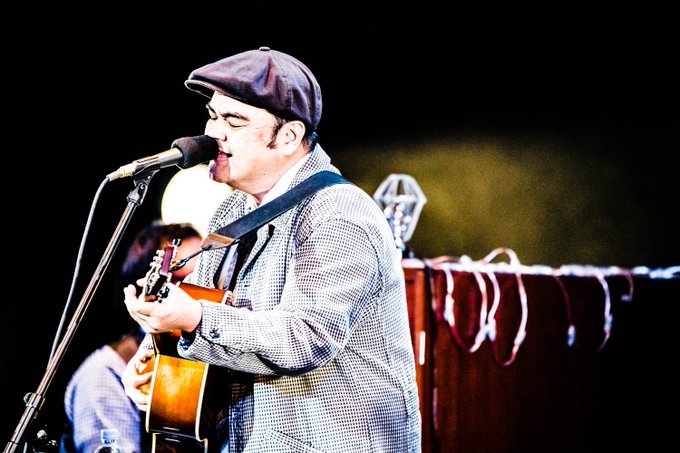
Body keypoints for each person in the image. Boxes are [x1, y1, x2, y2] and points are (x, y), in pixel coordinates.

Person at [122, 46, 422, 452]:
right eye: (212, 116)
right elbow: (203, 302)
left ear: (289, 137)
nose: (213, 133)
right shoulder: (231, 209)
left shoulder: (338, 212)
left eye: (234, 120)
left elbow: (306, 337)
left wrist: (194, 318)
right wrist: (156, 358)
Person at [60, 221, 202, 453]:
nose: (200, 293)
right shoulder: (106, 371)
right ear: (149, 288)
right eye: (184, 280)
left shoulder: (206, 359)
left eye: (204, 281)